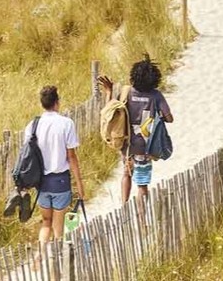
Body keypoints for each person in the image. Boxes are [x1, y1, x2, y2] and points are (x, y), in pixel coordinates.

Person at [98, 56, 173, 204]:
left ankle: (124, 206)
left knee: (127, 174)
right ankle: (141, 219)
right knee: (142, 184)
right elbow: (169, 118)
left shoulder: (127, 92)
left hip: (127, 145)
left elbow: (110, 113)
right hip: (146, 146)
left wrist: (109, 92)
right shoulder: (156, 95)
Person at [25, 85, 86, 245]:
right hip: (60, 182)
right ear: (57, 102)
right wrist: (79, 183)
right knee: (58, 229)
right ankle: (55, 267)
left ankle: (41, 258)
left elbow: (28, 155)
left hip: (41, 183)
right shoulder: (66, 124)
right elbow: (71, 156)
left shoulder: (32, 126)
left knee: (46, 223)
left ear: (42, 104)